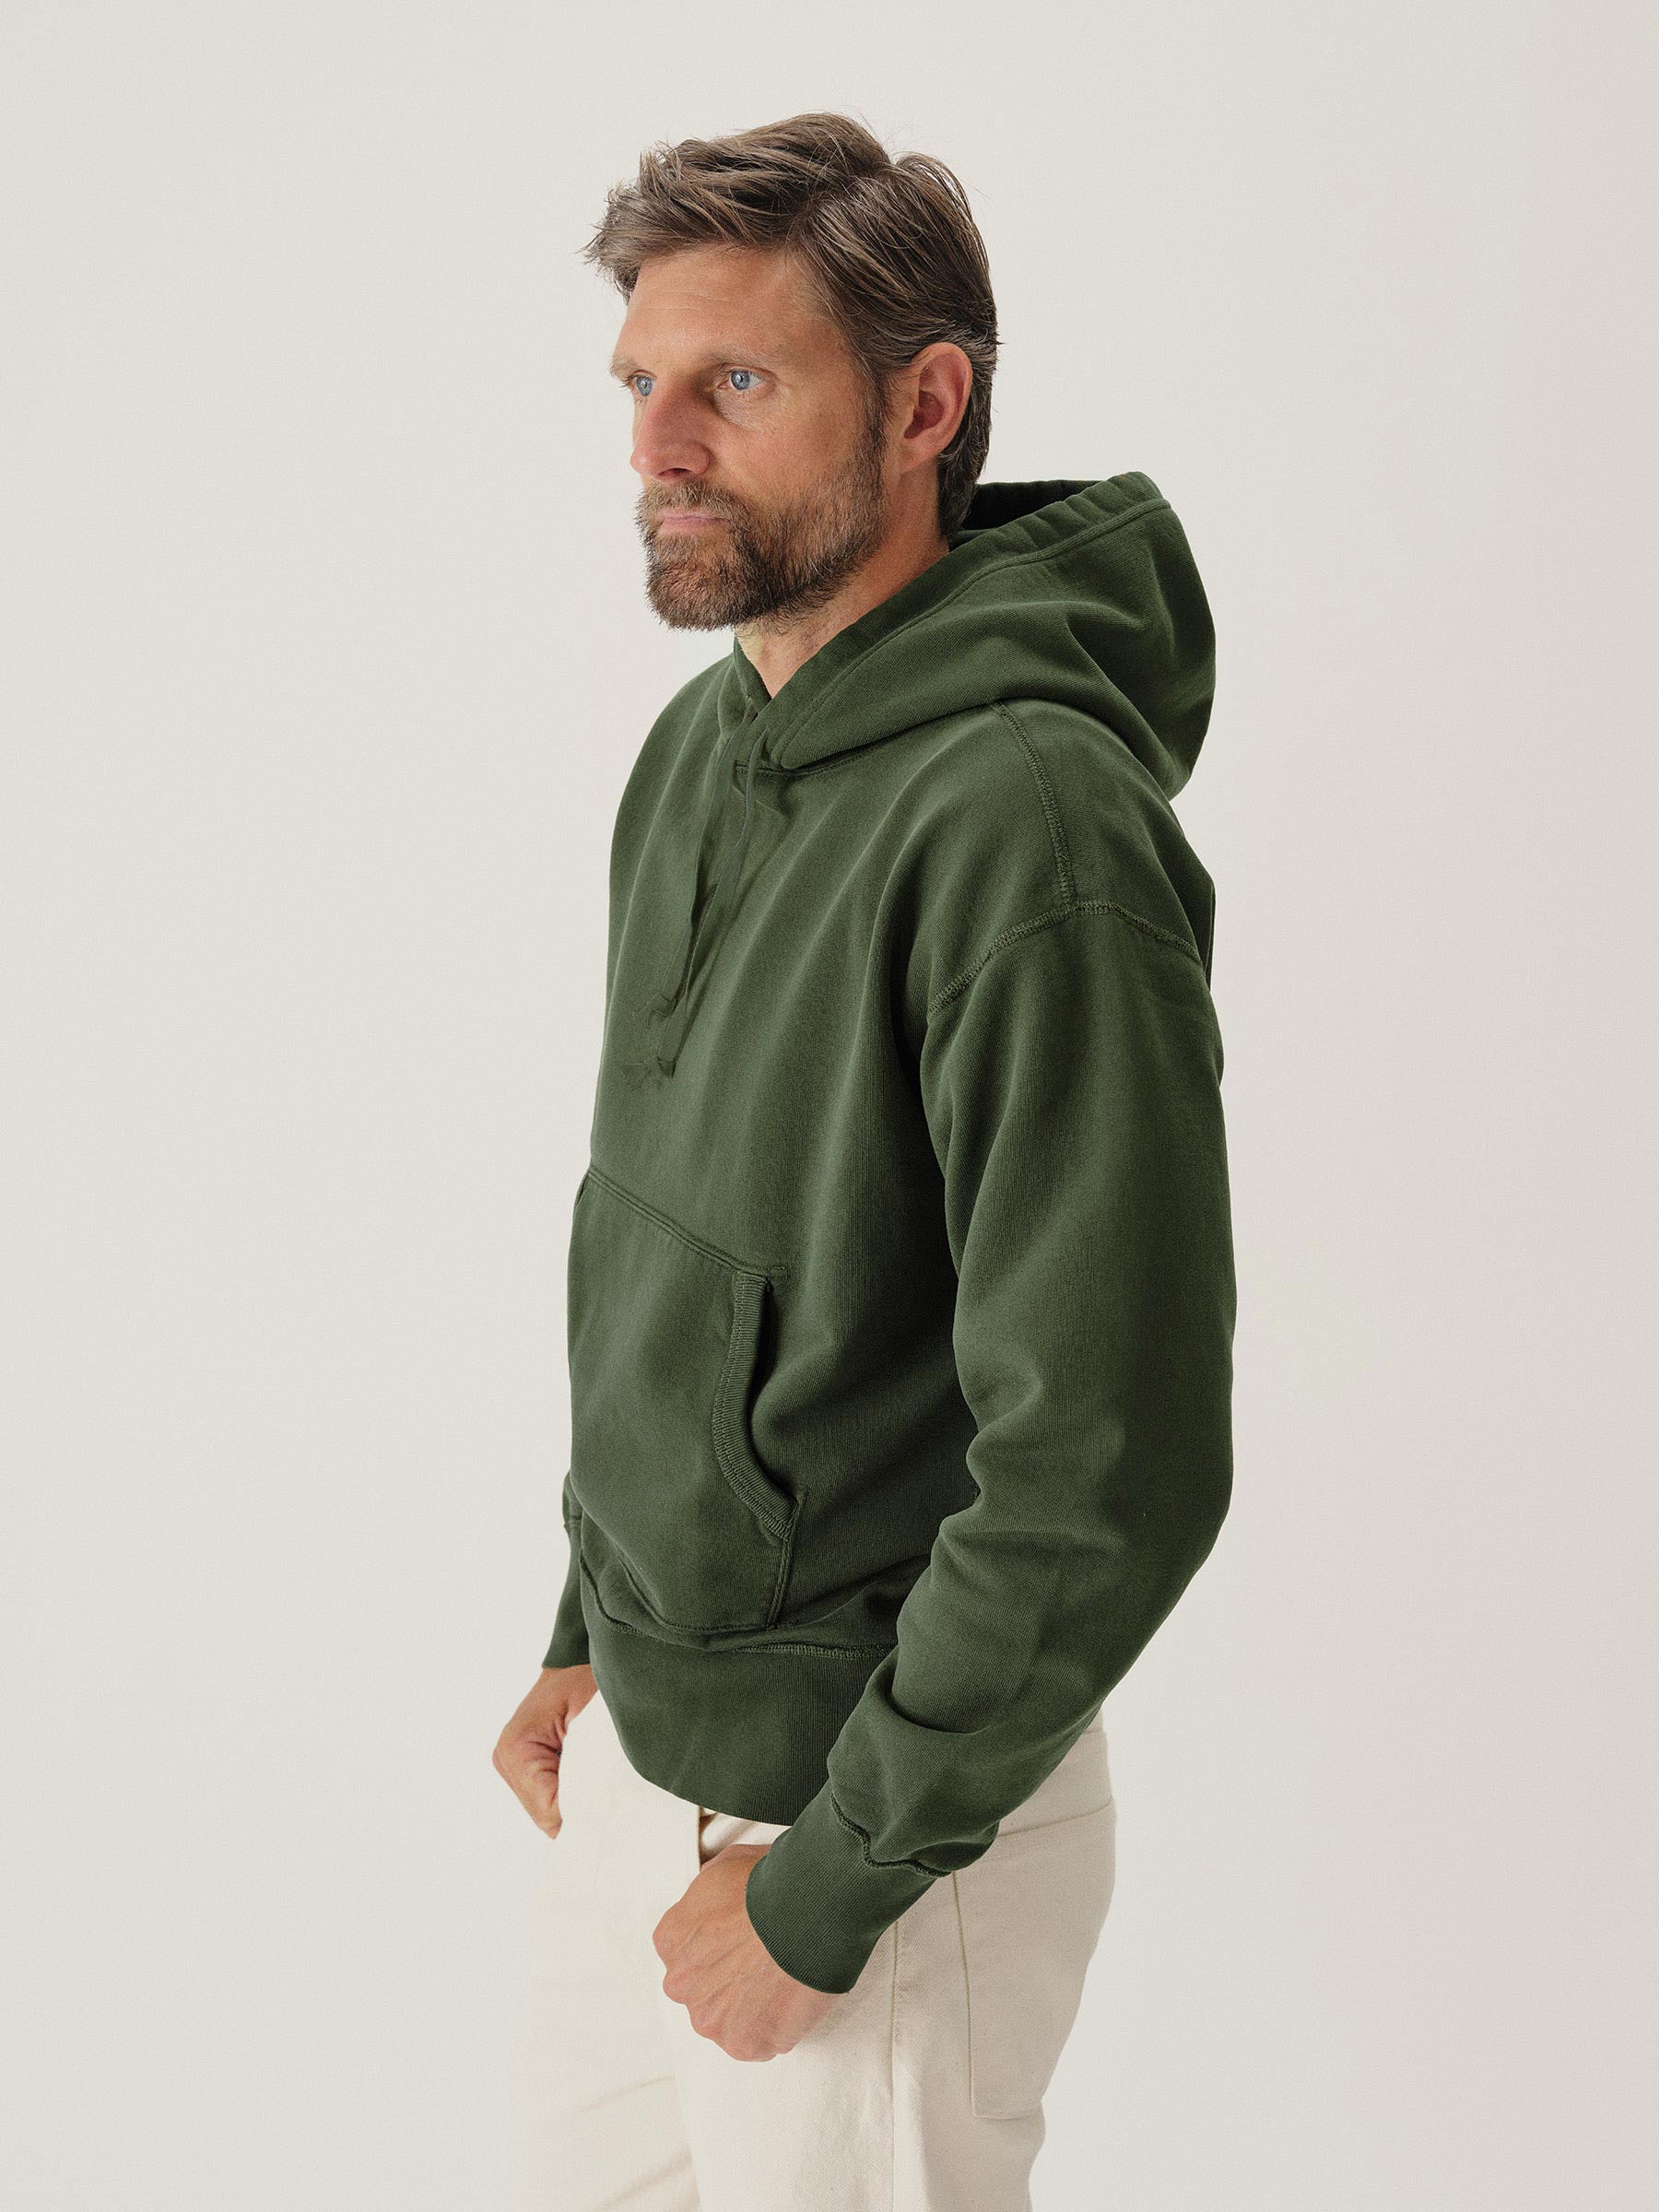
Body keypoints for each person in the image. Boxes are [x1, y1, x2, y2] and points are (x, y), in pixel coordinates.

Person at [493, 110, 1236, 2212]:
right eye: (641, 383)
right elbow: (683, 1249)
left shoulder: (1032, 827)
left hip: (874, 1844)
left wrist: (836, 1883)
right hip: (652, 1769)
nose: (657, 448)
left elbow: (1110, 1458)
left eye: (734, 382)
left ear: (926, 408)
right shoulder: (704, 751)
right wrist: (598, 1612)